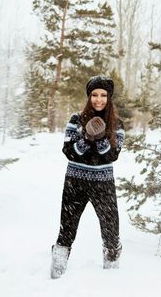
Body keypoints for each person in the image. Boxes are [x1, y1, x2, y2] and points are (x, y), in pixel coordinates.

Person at [51, 76, 125, 279]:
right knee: (67, 229)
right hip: (75, 181)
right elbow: (69, 151)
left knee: (111, 232)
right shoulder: (76, 120)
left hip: (103, 183)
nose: (98, 99)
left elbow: (112, 155)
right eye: (94, 95)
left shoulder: (117, 124)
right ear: (89, 96)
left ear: (109, 97)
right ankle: (56, 277)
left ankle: (111, 279)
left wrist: (101, 138)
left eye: (103, 95)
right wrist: (87, 137)